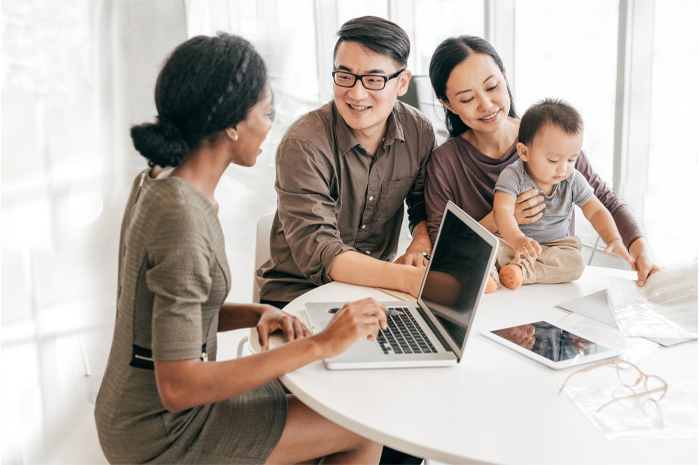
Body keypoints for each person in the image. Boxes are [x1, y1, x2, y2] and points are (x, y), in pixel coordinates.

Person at [94, 32, 386, 465]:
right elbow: (180, 388)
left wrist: (255, 313)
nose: (271, 124)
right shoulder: (182, 222)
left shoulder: (161, 179)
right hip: (161, 432)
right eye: (267, 112)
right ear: (233, 124)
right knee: (362, 427)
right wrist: (321, 344)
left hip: (135, 409)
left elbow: (169, 313)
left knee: (323, 392)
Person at [425, 35, 660, 289]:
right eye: (468, 99)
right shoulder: (445, 162)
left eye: (492, 86)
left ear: (504, 76)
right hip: (492, 299)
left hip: (555, 291)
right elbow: (442, 247)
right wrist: (500, 219)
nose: (486, 104)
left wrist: (642, 251)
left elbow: (606, 202)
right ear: (447, 104)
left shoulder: (552, 141)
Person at [256, 16, 435, 308]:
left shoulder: (419, 132)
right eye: (344, 75)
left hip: (376, 289)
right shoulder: (303, 145)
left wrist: (420, 243)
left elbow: (422, 207)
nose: (356, 93)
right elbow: (321, 250)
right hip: (298, 295)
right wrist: (407, 279)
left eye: (374, 80)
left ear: (402, 82)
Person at [492, 98, 635, 290]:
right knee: (491, 248)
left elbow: (595, 211)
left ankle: (522, 272)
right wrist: (517, 239)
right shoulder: (514, 175)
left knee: (575, 263)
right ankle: (490, 276)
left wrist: (613, 238)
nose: (563, 168)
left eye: (571, 159)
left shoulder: (573, 179)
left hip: (555, 247)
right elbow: (502, 210)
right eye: (553, 160)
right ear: (524, 152)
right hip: (513, 242)